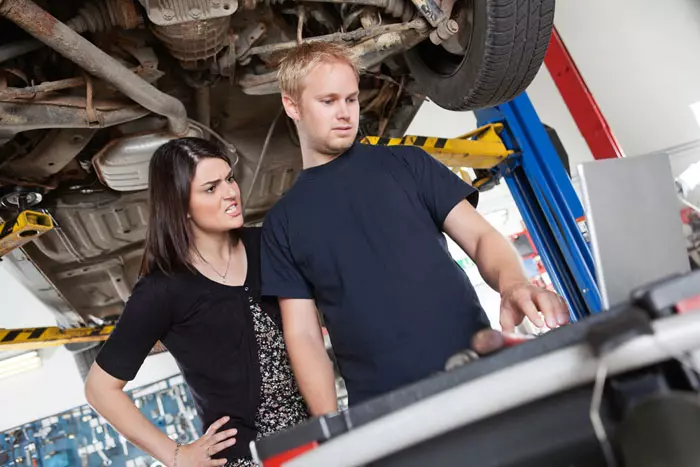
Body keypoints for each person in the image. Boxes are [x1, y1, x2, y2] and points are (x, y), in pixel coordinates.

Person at [260, 42, 571, 415]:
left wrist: (513, 284)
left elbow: (481, 237)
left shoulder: (407, 162)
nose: (344, 113)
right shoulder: (282, 223)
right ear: (292, 105)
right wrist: (330, 430)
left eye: (351, 100)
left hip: (477, 372)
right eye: (328, 101)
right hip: (385, 410)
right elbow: (304, 336)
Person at [84, 137, 308, 467]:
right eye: (211, 188)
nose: (231, 193)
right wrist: (175, 455)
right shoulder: (162, 290)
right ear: (181, 206)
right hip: (246, 459)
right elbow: (99, 389)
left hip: (313, 435)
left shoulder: (265, 244)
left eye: (230, 179)